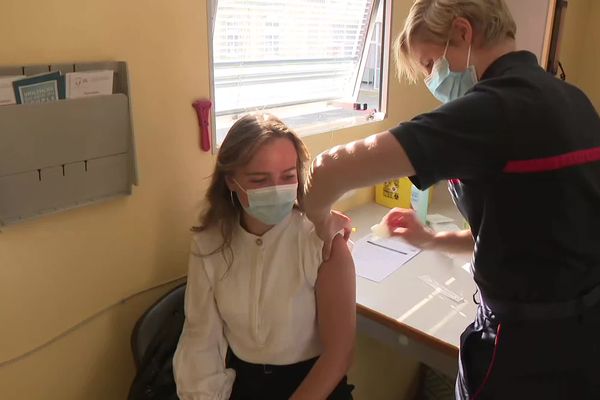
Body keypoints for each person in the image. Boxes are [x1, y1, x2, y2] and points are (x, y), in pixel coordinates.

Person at [302, 0, 600, 398]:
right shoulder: (572, 100)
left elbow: (326, 169)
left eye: (428, 64)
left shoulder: (491, 110)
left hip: (525, 351)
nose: (431, 79)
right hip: (583, 337)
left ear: (462, 32)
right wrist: (428, 240)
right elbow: (518, 232)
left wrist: (320, 227)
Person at [173, 114, 356, 400]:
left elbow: (339, 355)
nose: (276, 190)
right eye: (259, 179)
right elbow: (201, 340)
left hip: (315, 384)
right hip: (245, 383)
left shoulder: (322, 240)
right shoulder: (210, 244)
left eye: (288, 177)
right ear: (231, 181)